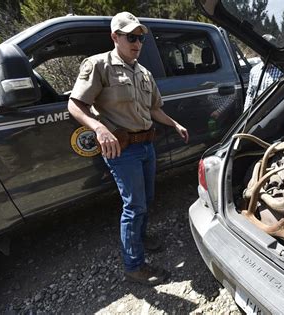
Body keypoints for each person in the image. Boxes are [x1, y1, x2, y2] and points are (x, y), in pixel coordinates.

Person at [68, 12, 189, 286]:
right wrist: (99, 128)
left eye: (140, 38)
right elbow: (75, 104)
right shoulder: (99, 65)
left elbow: (154, 108)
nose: (137, 43)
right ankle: (133, 266)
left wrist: (176, 124)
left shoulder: (143, 72)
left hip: (147, 145)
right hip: (122, 150)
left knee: (146, 199)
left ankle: (141, 238)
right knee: (134, 206)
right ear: (115, 37)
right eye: (131, 37)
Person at [243, 34, 283, 112]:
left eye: (267, 50)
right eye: (261, 50)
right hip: (257, 113)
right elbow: (250, 94)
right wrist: (246, 113)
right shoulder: (254, 71)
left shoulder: (283, 71)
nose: (263, 54)